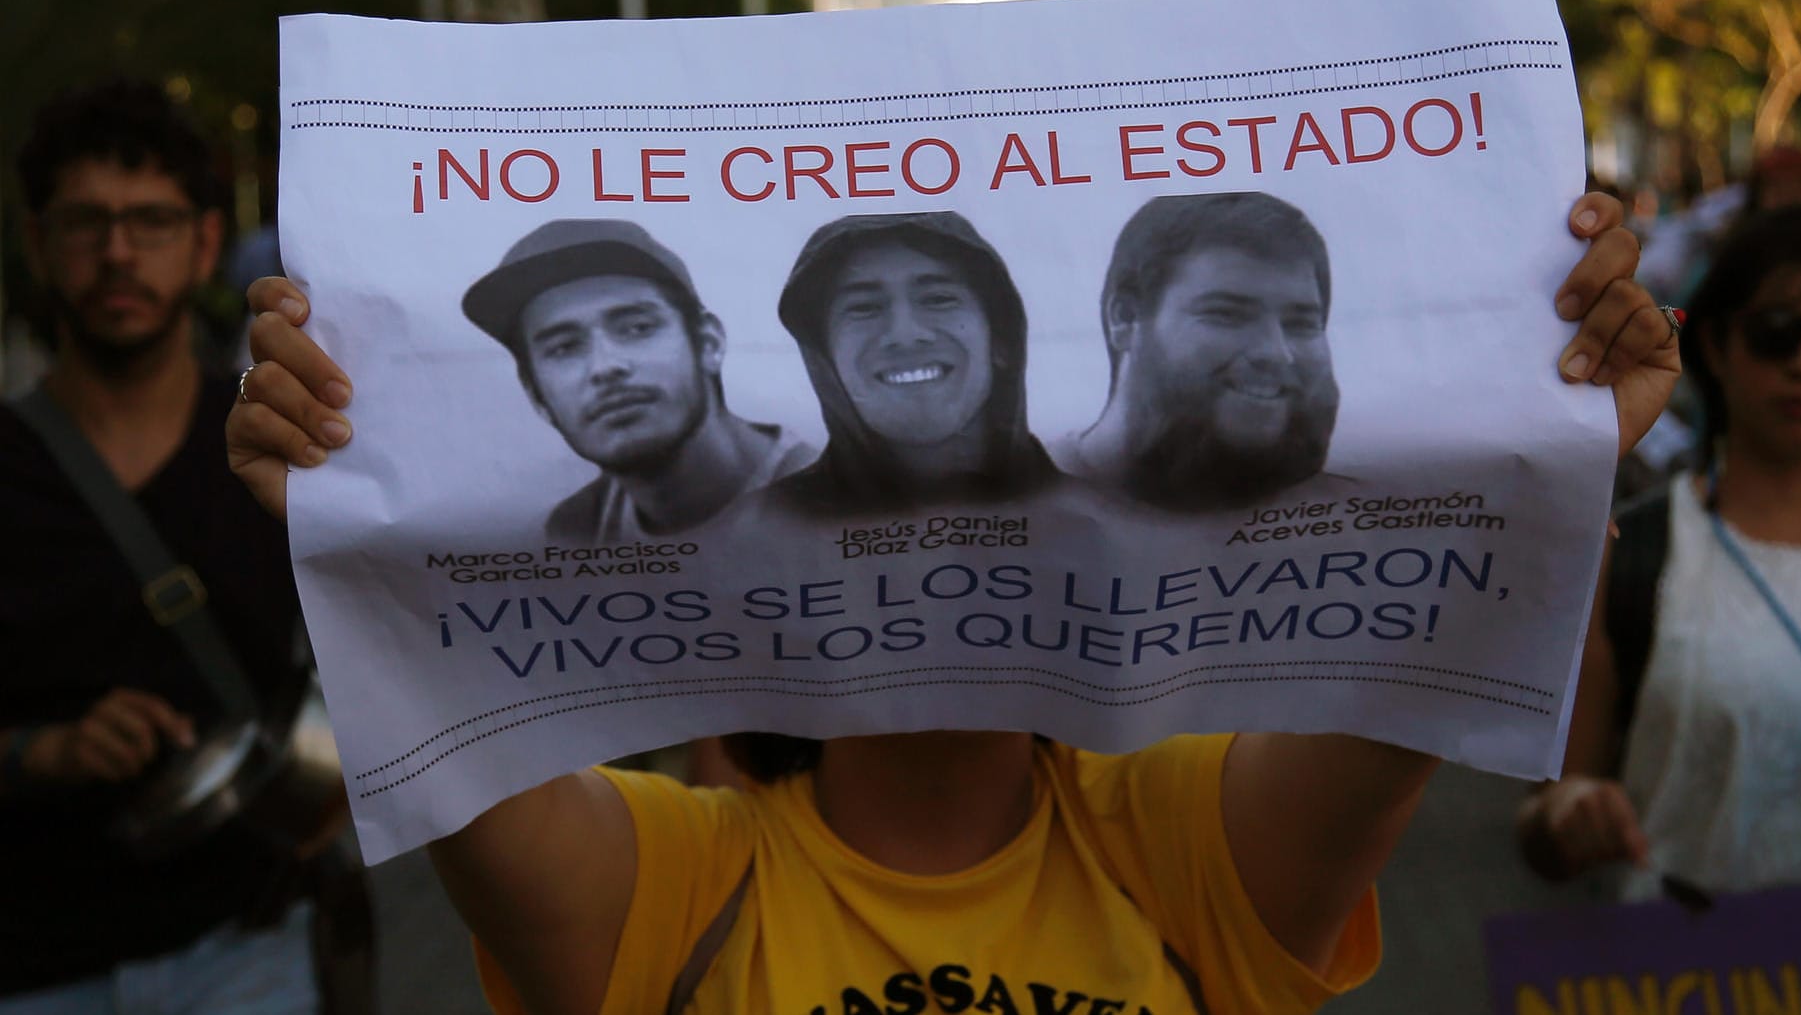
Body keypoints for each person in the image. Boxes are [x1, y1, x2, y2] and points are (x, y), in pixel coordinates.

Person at [229, 190, 1668, 1014]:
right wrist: (350, 514)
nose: (939, 559)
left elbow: (1408, 677)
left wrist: (1553, 431)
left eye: (985, 521)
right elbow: (454, 735)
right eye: (879, 526)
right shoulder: (674, 880)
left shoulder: (1181, 846)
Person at [0, 80, 325, 1010]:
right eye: (85, 222)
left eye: (150, 220)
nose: (117, 253)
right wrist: (41, 752)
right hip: (34, 965)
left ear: (205, 244)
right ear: (37, 242)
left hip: (252, 950)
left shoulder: (281, 445)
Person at [1516, 203, 1801, 900]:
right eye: (1776, 335)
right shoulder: (1632, 555)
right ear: (1716, 346)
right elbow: (1545, 812)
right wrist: (1569, 814)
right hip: (1685, 975)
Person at [461, 218, 814, 540]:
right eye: (564, 348)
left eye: (637, 328)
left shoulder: (843, 505)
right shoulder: (575, 535)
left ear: (708, 343)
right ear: (537, 396)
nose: (605, 367)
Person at [1055, 192, 1341, 512]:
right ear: (1125, 319)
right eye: (1227, 315)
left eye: (1301, 324)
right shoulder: (1019, 510)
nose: (1275, 353)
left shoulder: (1365, 517)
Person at [761, 211, 1059, 517]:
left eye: (938, 299)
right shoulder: (748, 543)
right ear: (825, 359)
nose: (904, 334)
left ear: (1001, 342)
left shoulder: (1100, 528)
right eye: (864, 307)